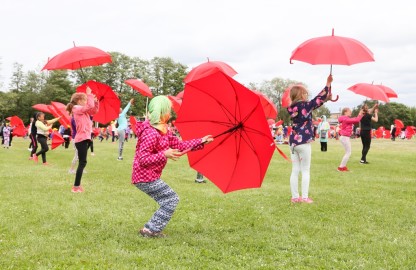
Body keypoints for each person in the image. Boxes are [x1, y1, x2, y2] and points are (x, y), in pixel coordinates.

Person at [132, 95, 213, 238]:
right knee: (171, 199)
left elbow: (179, 146)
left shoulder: (163, 130)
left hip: (151, 175)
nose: (170, 113)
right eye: (168, 110)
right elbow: (143, 159)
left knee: (168, 199)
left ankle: (150, 229)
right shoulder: (151, 133)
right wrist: (165, 154)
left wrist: (201, 141)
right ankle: (150, 230)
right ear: (161, 111)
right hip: (144, 176)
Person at [287, 74, 332, 204]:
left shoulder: (291, 108)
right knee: (305, 170)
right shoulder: (306, 105)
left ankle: (295, 197)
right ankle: (305, 197)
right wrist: (328, 84)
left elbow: (316, 103)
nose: (307, 95)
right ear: (301, 94)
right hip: (304, 141)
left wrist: (326, 100)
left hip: (293, 142)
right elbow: (317, 99)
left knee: (295, 170)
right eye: (305, 93)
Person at [66, 87, 99, 193]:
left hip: (86, 138)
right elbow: (89, 106)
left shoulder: (83, 111)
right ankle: (76, 187)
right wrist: (89, 94)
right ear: (79, 101)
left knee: (83, 162)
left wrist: (96, 101)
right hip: (81, 139)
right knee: (82, 162)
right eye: (84, 100)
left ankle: (77, 186)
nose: (86, 102)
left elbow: (93, 110)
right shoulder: (76, 108)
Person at [337, 107, 363, 172]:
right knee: (348, 153)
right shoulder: (346, 119)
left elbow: (355, 119)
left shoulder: (345, 118)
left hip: (344, 137)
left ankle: (342, 167)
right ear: (345, 112)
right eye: (349, 111)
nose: (351, 112)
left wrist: (361, 115)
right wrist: (360, 114)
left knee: (348, 152)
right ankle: (341, 167)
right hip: (345, 137)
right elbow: (356, 120)